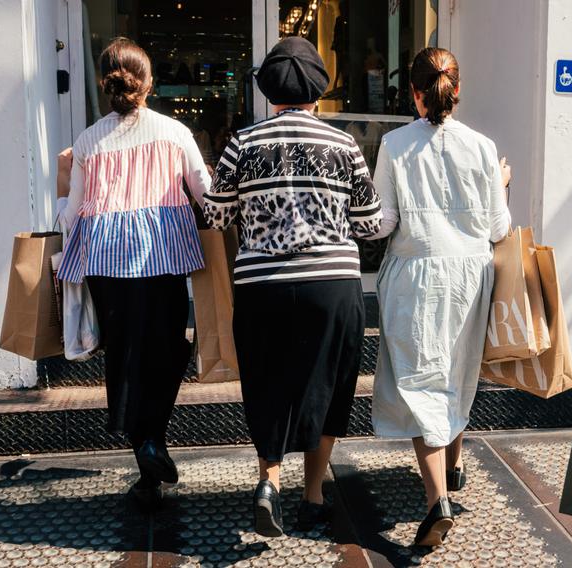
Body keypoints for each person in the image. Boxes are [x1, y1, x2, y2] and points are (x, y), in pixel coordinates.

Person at [204, 36, 381, 538]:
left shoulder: (243, 142)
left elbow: (216, 215)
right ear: (317, 91)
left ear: (270, 91)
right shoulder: (343, 144)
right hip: (332, 284)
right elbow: (368, 225)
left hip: (263, 286)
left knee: (268, 382)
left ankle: (269, 484)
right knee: (329, 385)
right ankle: (314, 494)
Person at [56, 38, 211, 511]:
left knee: (124, 357)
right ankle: (152, 442)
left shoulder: (86, 141)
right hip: (162, 257)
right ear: (147, 82)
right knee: (168, 350)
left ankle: (146, 455)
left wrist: (61, 187)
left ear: (106, 84)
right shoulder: (174, 132)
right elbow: (205, 194)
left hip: (106, 263)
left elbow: (72, 213)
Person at [367, 47, 512, 547]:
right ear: (458, 87)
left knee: (420, 381)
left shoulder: (394, 144)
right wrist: (503, 184)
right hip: (473, 273)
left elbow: (383, 223)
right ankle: (452, 467)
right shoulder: (483, 147)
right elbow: (499, 228)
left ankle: (437, 502)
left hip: (417, 273)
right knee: (456, 370)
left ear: (413, 91)